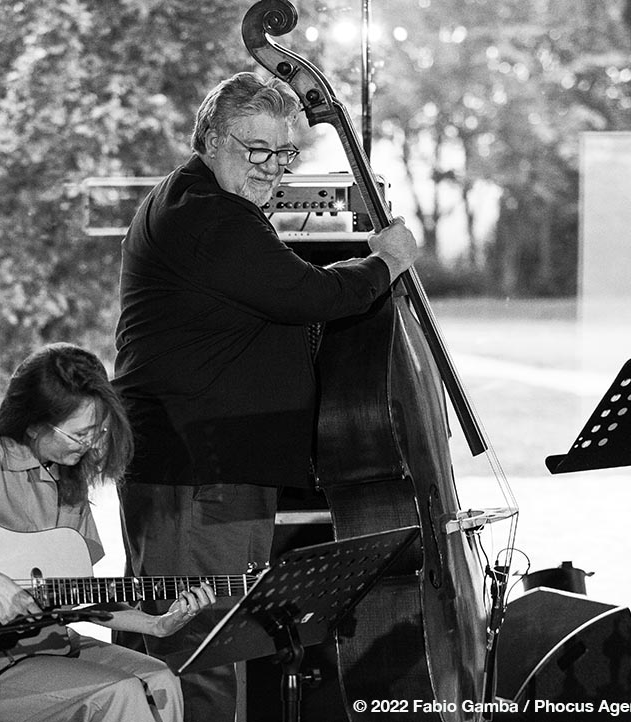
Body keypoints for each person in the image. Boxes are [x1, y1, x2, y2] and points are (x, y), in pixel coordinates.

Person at [112, 72, 419, 721]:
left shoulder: (201, 200)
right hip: (198, 468)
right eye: (258, 151)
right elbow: (309, 296)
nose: (274, 169)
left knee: (177, 646)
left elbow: (284, 297)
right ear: (213, 138)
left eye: (285, 155)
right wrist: (387, 260)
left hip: (201, 462)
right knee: (203, 654)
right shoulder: (211, 215)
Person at [0, 342, 216, 722]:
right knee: (120, 693)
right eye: (79, 434)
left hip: (48, 646)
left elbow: (77, 594)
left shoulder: (69, 477)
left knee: (161, 678)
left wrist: (154, 624)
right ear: (33, 423)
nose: (92, 445)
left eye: (99, 431)